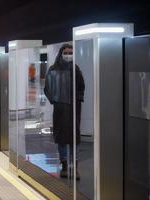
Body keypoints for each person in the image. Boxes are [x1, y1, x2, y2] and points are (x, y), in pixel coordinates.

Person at [44, 44, 85, 179]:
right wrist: (55, 101)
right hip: (60, 110)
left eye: (70, 52)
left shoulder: (76, 69)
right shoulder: (53, 69)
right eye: (66, 52)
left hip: (74, 110)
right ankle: (65, 166)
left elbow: (81, 88)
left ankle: (75, 168)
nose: (68, 55)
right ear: (61, 53)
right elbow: (47, 89)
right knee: (61, 138)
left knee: (75, 138)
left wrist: (77, 101)